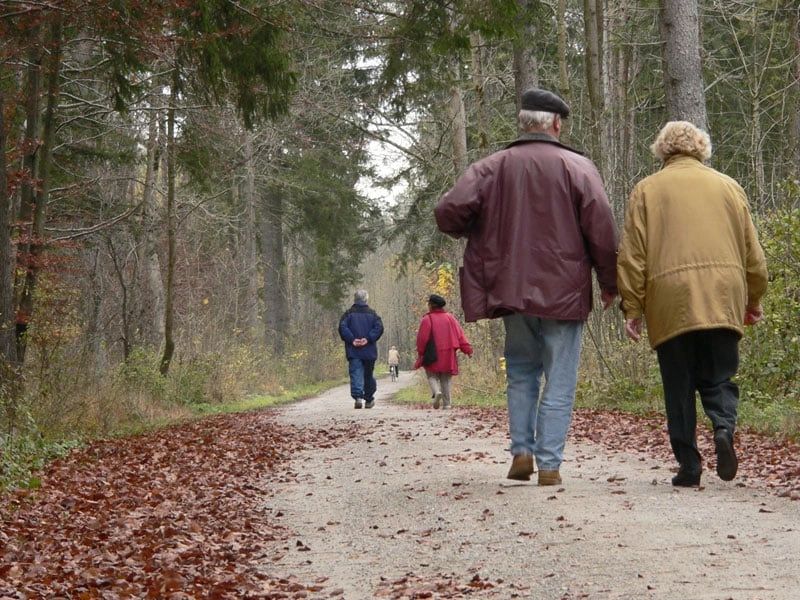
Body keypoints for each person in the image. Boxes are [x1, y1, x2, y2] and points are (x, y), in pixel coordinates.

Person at [434, 88, 618, 486]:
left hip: (511, 288)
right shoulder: (578, 167)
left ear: (523, 124)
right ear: (555, 124)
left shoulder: (491, 167)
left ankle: (521, 451)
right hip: (564, 292)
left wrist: (479, 226)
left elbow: (448, 213)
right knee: (560, 376)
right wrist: (609, 282)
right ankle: (549, 464)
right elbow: (601, 228)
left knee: (521, 370)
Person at [617, 121, 768, 487]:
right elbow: (753, 253)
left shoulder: (646, 191)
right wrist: (754, 296)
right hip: (722, 294)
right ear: (701, 147)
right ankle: (723, 428)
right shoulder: (729, 187)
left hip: (670, 301)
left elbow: (633, 255)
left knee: (678, 384)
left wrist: (633, 308)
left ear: (662, 150)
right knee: (719, 376)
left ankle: (689, 466)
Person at [413, 294, 473, 409]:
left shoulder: (427, 319)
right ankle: (447, 404)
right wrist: (467, 349)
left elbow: (422, 339)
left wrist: (421, 353)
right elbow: (460, 335)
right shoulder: (450, 318)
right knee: (445, 378)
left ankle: (436, 392)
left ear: (431, 305)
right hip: (448, 353)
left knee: (431, 375)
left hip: (432, 353)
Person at [338, 289, 384, 409]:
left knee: (356, 373)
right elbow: (379, 328)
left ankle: (358, 397)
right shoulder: (373, 314)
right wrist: (368, 339)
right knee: (368, 374)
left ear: (354, 299)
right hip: (369, 351)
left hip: (354, 350)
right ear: (366, 299)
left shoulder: (348, 314)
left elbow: (343, 328)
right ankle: (369, 399)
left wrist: (352, 339)